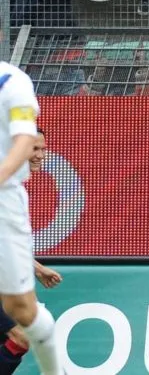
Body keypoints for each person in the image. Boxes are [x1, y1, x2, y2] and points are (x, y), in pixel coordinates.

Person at [0, 62, 63, 374]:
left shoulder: (12, 81)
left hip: (3, 198)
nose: (39, 153)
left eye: (43, 149)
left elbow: (23, 139)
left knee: (21, 315)